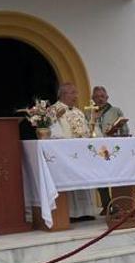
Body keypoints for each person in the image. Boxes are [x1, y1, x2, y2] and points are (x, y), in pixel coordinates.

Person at [50, 83, 96, 221]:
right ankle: (71, 213)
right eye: (73, 93)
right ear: (63, 94)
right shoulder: (53, 111)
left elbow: (86, 131)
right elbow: (51, 132)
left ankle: (86, 211)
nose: (76, 96)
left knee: (83, 179)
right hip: (65, 154)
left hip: (81, 153)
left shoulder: (78, 112)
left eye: (76, 93)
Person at [88, 85, 128, 215]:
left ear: (107, 97)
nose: (100, 99)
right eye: (97, 97)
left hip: (113, 148)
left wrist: (116, 130)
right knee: (100, 177)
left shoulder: (116, 111)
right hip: (96, 150)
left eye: (102, 96)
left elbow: (125, 130)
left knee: (116, 175)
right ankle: (107, 204)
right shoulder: (88, 112)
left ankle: (120, 203)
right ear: (92, 98)